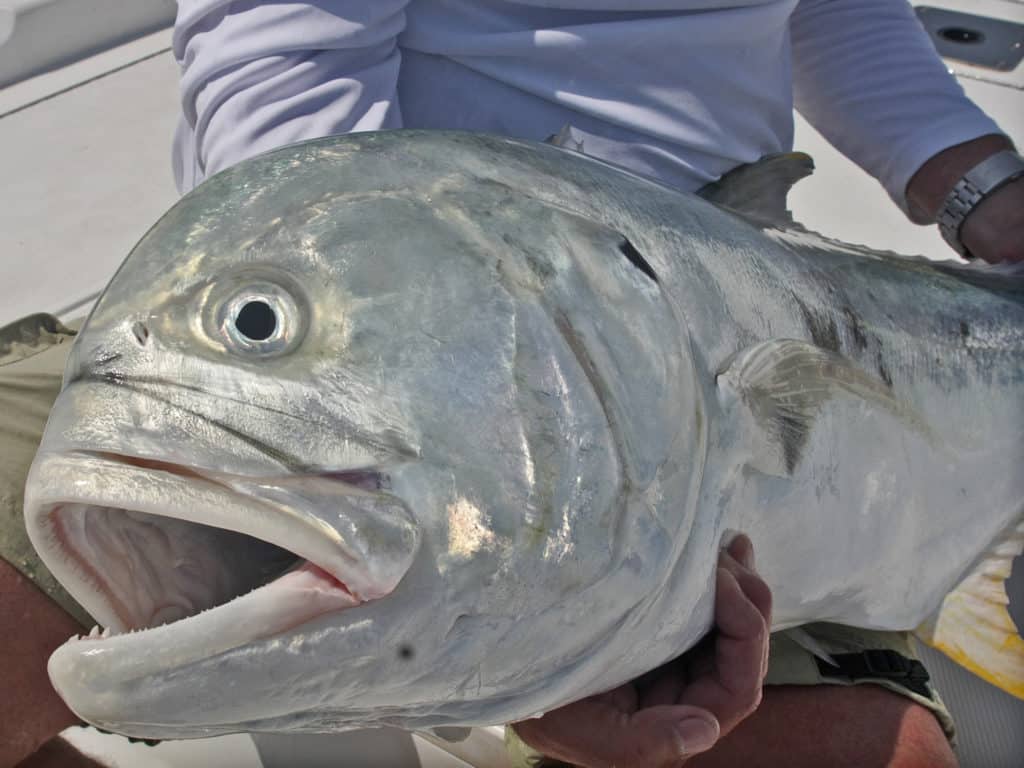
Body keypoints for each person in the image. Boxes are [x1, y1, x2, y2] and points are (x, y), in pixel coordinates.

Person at [3, 0, 1020, 764]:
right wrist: (519, 585)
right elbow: (279, 73)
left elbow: (833, 12)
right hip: (344, 354)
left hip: (729, 306)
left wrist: (984, 191)